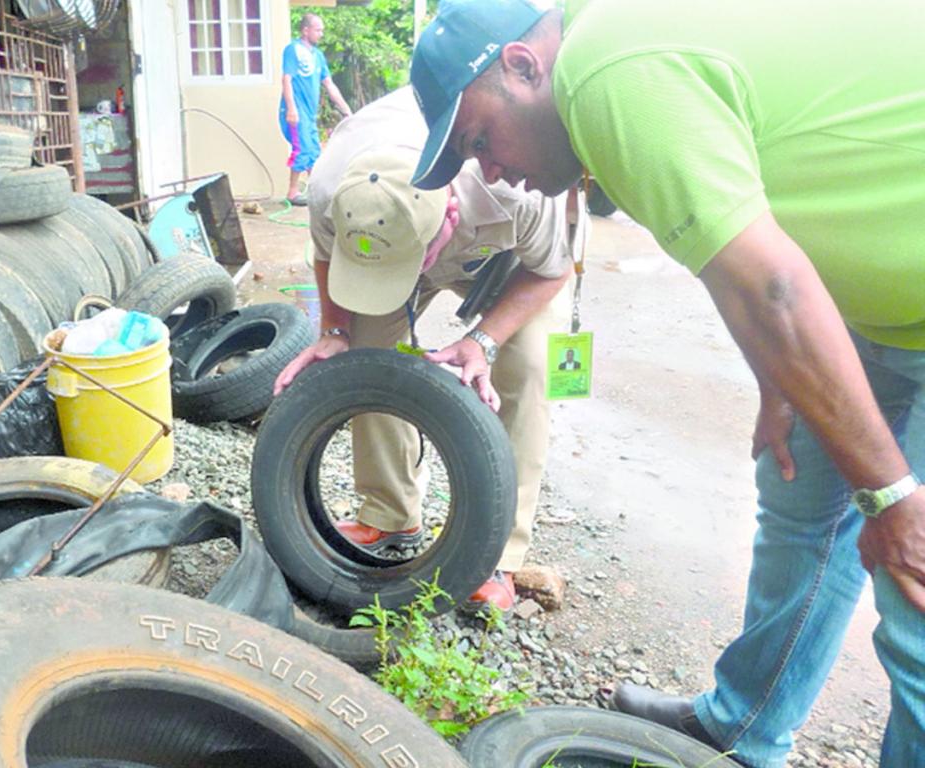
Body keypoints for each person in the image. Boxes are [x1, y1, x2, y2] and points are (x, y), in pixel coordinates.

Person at [408, 1, 925, 766]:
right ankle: (743, 725)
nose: (490, 171)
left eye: (479, 139)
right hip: (873, 307)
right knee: (799, 506)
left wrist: (890, 497)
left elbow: (775, 290)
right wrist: (777, 381)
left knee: (915, 592)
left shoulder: (605, 74)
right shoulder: (618, 54)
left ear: (523, 65)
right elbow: (739, 253)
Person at [273, 86, 582, 612]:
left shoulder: (519, 185)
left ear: (451, 215)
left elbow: (551, 271)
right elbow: (326, 253)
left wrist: (480, 341)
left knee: (528, 368)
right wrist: (335, 331)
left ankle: (497, 556)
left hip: (513, 262)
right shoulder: (332, 183)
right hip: (391, 243)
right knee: (366, 356)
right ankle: (389, 511)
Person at [278, 13, 352, 206]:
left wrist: (347, 111)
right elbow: (287, 79)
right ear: (305, 30)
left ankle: (315, 190)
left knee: (314, 152)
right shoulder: (293, 50)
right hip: (296, 110)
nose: (321, 34)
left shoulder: (317, 56)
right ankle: (292, 192)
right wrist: (291, 109)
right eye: (318, 30)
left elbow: (329, 84)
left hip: (310, 114)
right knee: (302, 149)